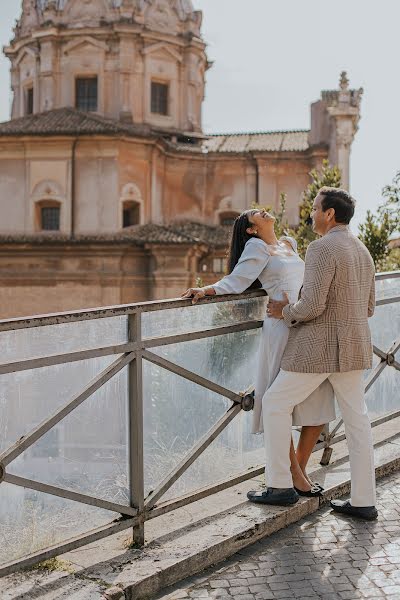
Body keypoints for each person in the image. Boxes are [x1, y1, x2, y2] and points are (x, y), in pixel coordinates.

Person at [182, 207, 336, 496]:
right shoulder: (256, 246)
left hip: (306, 321)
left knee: (318, 396)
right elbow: (237, 280)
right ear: (251, 230)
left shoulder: (288, 243)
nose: (261, 210)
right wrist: (206, 290)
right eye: (254, 213)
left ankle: (298, 470)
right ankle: (293, 474)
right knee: (280, 402)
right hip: (282, 328)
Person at [252, 187, 377, 520]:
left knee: (274, 403)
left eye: (316, 209)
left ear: (330, 214)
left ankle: (280, 486)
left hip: (318, 349)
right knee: (358, 422)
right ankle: (365, 500)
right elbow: (369, 307)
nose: (311, 215)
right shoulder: (363, 250)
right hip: (354, 348)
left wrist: (285, 311)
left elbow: (312, 305)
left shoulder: (321, 248)